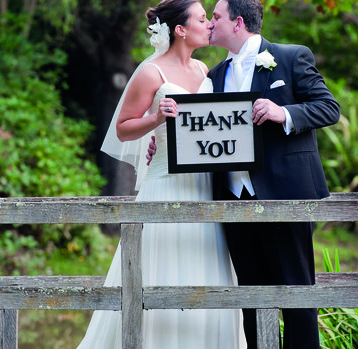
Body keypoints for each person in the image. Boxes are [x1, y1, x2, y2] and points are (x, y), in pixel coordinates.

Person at [147, 0, 340, 348]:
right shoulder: (214, 75)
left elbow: (329, 108)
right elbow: (200, 130)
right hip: (233, 202)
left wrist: (284, 112)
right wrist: (161, 142)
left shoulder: (290, 56)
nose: (209, 24)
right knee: (251, 299)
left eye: (215, 17)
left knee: (297, 299)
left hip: (285, 198)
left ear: (236, 23)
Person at [77, 0, 245, 348]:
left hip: (203, 187)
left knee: (207, 270)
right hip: (167, 184)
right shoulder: (152, 72)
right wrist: (155, 120)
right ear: (180, 30)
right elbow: (123, 129)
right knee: (157, 269)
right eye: (202, 18)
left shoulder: (205, 70)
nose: (209, 24)